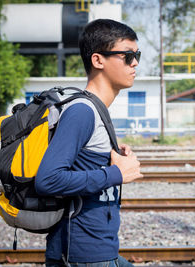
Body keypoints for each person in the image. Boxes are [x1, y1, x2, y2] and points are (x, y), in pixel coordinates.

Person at [35, 19, 143, 267]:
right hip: (84, 254)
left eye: (136, 55)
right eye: (127, 55)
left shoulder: (96, 110)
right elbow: (48, 180)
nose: (135, 62)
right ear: (98, 60)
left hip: (98, 250)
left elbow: (81, 165)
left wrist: (111, 157)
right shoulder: (82, 111)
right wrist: (116, 173)